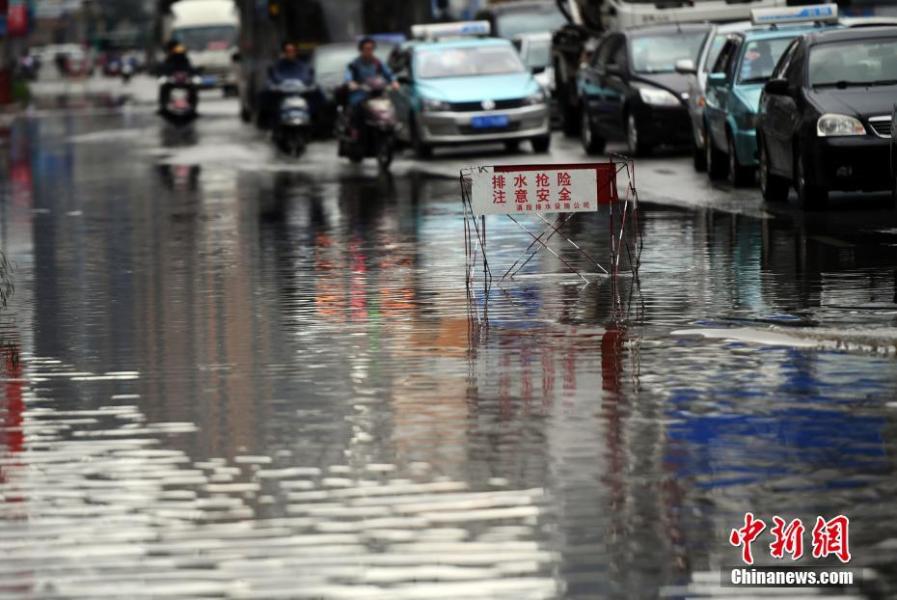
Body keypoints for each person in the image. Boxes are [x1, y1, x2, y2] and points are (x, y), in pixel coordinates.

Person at [343, 37, 398, 133]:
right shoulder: (355, 64)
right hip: (360, 94)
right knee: (357, 110)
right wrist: (351, 82)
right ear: (361, 50)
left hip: (376, 94)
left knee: (389, 108)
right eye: (366, 49)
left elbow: (388, 74)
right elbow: (348, 75)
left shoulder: (377, 62)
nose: (369, 51)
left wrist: (394, 82)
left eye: (371, 49)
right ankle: (355, 131)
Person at [158, 41, 197, 112]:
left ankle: (193, 106)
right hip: (172, 78)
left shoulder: (183, 58)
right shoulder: (169, 59)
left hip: (183, 78)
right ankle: (163, 106)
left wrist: (194, 74)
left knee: (193, 87)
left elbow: (190, 67)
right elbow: (164, 68)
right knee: (163, 87)